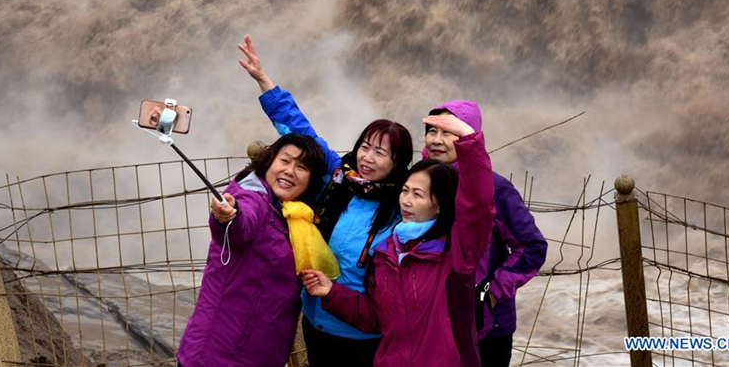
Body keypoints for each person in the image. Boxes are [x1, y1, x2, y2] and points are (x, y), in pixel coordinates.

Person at [238, 34, 414, 367]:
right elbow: (301, 131)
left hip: (363, 336)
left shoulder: (402, 208)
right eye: (365, 147)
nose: (367, 158)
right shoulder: (338, 177)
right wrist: (264, 81)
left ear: (397, 163)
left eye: (380, 153)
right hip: (315, 319)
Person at [302, 112, 495, 367]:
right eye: (405, 191)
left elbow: (477, 207)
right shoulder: (387, 253)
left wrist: (470, 141)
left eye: (418, 194)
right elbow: (374, 317)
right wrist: (331, 292)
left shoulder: (454, 255)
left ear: (440, 205)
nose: (406, 201)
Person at [177, 133, 336, 367]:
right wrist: (228, 216)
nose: (290, 171)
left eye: (301, 167)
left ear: (312, 179)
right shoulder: (253, 198)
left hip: (265, 354)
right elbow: (241, 224)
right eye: (285, 161)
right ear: (270, 162)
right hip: (217, 355)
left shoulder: (299, 217)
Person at [424, 101, 548, 367]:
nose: (436, 140)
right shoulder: (420, 183)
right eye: (432, 131)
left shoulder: (497, 188)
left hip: (484, 325)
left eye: (448, 132)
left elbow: (532, 247)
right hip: (430, 318)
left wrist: (491, 291)